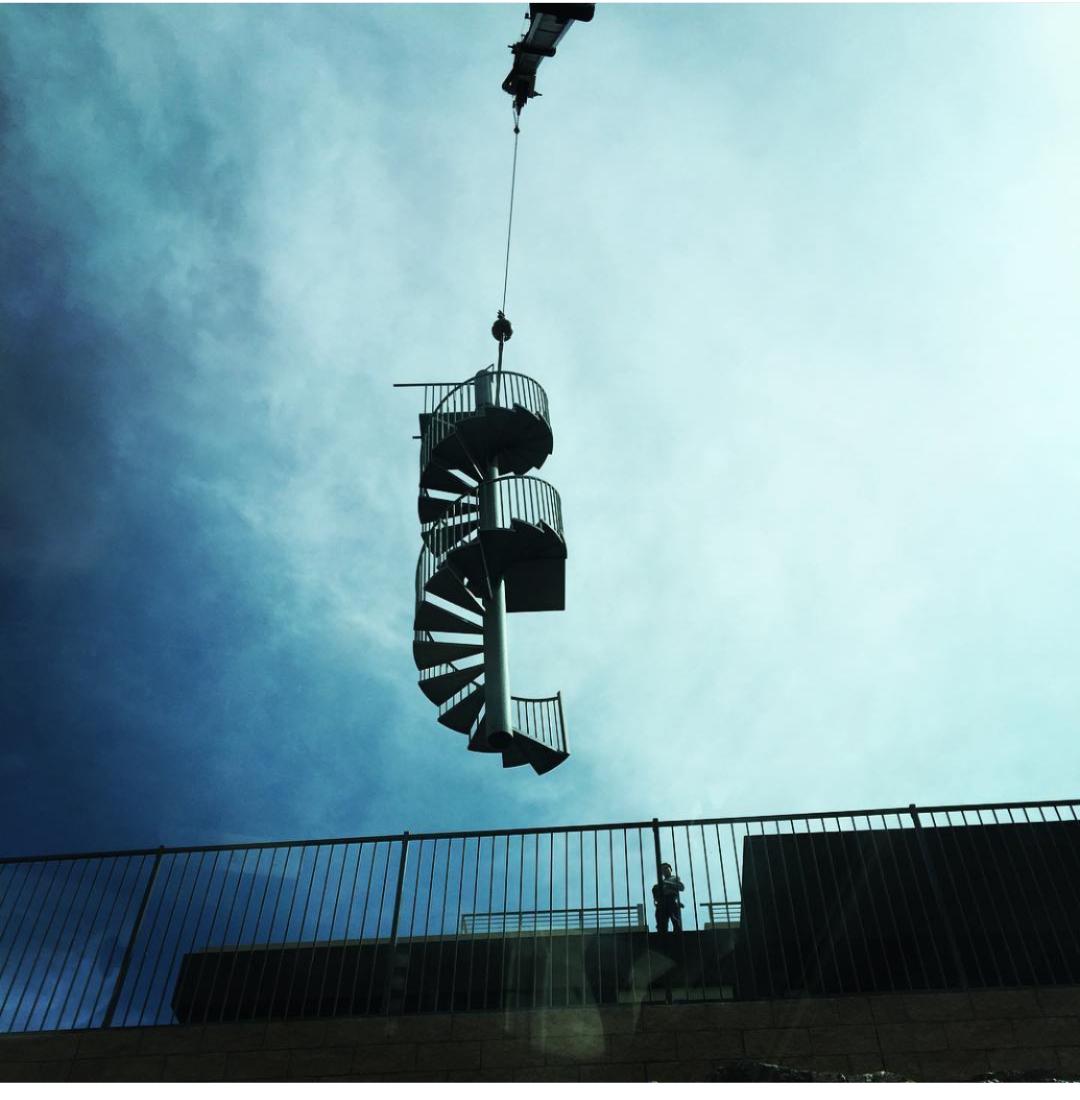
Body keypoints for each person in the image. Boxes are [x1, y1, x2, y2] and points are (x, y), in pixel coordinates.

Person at [652, 861, 685, 933]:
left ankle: (676, 929)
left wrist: (666, 883)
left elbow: (681, 887)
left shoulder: (674, 878)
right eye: (663, 870)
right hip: (662, 901)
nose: (665, 870)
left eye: (666, 868)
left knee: (674, 918)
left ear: (670, 869)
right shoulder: (661, 883)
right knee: (660, 919)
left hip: (671, 899)